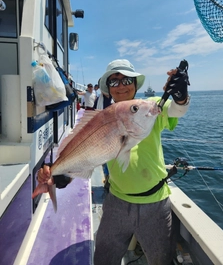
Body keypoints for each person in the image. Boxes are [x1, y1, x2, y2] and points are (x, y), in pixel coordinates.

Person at [36, 59, 190, 265]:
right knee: (104, 259)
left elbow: (176, 109)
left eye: (126, 80)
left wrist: (180, 95)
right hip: (116, 202)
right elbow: (83, 156)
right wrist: (54, 177)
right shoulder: (104, 116)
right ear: (108, 89)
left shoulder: (148, 107)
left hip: (155, 202)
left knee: (161, 259)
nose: (121, 86)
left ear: (135, 84)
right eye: (114, 82)